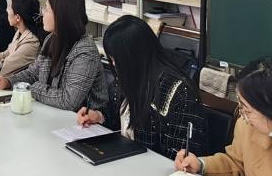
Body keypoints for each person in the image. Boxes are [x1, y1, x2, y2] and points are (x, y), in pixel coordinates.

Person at [76, 16, 208, 160]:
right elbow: (117, 119)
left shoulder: (179, 94)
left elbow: (179, 158)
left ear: (133, 58)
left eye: (116, 60)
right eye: (112, 59)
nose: (114, 65)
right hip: (124, 160)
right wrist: (99, 117)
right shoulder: (127, 80)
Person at [0, 0, 107, 112]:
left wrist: (30, 88)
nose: (42, 14)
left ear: (60, 15)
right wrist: (8, 81)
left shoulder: (85, 50)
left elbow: (68, 101)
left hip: (82, 120)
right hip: (52, 110)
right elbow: (33, 72)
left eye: (46, 9)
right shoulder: (51, 38)